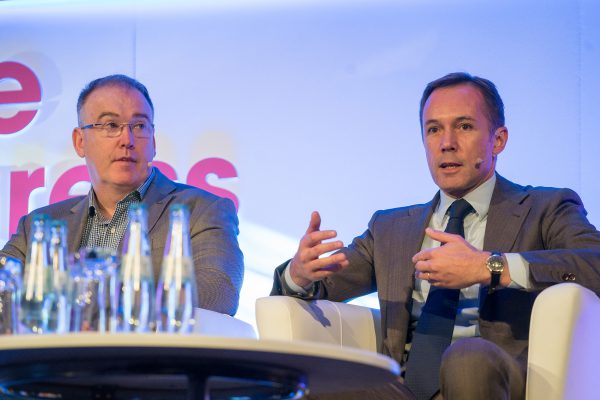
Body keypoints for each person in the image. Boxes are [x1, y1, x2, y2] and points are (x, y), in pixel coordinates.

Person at [271, 72, 600, 399]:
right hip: (401, 390)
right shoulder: (391, 227)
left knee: (467, 358)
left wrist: (491, 267)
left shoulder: (545, 207)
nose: (447, 143)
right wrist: (297, 274)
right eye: (433, 130)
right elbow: (321, 285)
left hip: (497, 380)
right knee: (313, 381)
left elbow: (594, 264)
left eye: (464, 126)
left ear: (498, 140)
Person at [1, 74, 244, 316]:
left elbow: (216, 295)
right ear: (80, 141)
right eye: (110, 125)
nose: (127, 140)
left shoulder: (202, 210)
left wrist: (87, 313)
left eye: (139, 126)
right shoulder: (38, 225)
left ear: (153, 141)